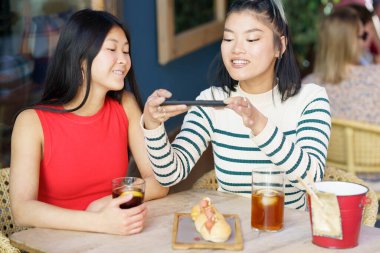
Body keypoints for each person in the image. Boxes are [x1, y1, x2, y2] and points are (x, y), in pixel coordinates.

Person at [142, 0, 331, 210]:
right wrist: (152, 126)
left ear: (280, 46)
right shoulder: (211, 101)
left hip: (287, 234)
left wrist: (260, 125)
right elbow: (169, 175)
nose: (237, 49)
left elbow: (312, 179)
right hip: (232, 233)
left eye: (251, 39)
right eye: (228, 38)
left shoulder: (310, 99)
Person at [10, 9, 168, 235]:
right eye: (112, 49)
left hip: (116, 236)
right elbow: (22, 210)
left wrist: (102, 204)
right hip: (53, 243)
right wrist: (98, 221)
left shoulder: (125, 105)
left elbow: (159, 181)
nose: (123, 60)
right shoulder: (31, 122)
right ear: (80, 58)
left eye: (126, 51)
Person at [302, 7, 380, 124]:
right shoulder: (376, 76)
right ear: (352, 43)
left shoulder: (307, 86)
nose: (364, 42)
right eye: (362, 36)